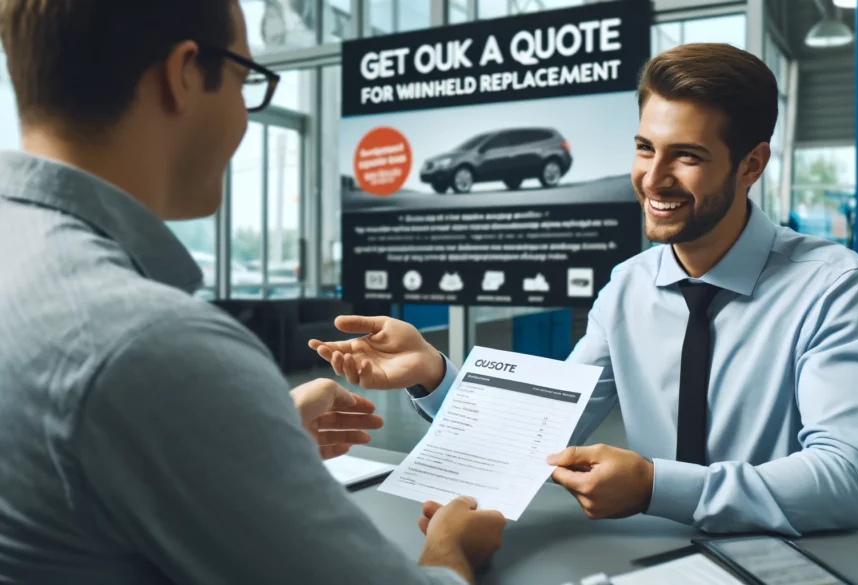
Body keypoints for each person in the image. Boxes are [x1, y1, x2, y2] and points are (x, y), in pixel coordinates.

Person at [0, 1, 505, 584]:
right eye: (245, 81)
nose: (244, 113)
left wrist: (242, 433)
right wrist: (451, 546)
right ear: (183, 74)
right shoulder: (151, 342)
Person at [311, 43, 858, 537]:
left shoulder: (832, 285)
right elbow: (542, 431)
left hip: (783, 561)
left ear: (751, 165)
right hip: (650, 563)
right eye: (645, 148)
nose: (654, 178)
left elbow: (849, 480)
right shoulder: (627, 288)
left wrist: (655, 485)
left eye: (686, 156)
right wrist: (432, 373)